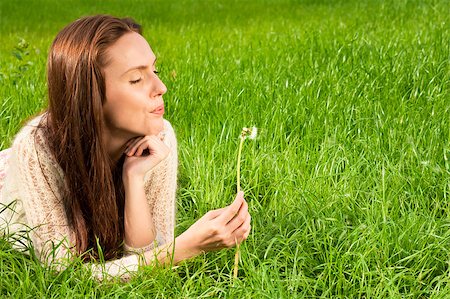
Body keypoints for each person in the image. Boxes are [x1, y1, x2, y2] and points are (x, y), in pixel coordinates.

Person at [0, 15, 251, 281]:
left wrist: (134, 179)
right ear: (89, 95)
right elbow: (65, 275)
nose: (161, 87)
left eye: (155, 71)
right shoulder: (38, 149)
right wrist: (183, 249)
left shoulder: (159, 137)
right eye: (135, 80)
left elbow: (149, 257)